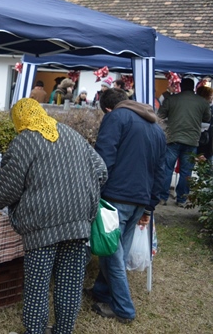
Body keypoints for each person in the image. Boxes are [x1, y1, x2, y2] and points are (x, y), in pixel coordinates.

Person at [0, 98, 107, 334]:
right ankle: (63, 330)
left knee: (37, 284)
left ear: (20, 120)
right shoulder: (71, 134)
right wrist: (76, 190)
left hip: (42, 224)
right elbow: (101, 171)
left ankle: (35, 330)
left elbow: (6, 188)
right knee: (70, 283)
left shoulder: (25, 141)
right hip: (79, 222)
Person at [87, 88, 166, 324]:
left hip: (116, 197)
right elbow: (161, 170)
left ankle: (124, 309)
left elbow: (103, 159)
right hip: (140, 199)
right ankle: (101, 291)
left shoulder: (116, 117)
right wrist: (150, 205)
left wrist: (94, 191)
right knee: (116, 249)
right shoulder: (155, 127)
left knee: (112, 255)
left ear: (108, 109)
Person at [158, 77, 211, 207]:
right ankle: (181, 199)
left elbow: (160, 115)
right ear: (193, 88)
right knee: (186, 171)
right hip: (192, 140)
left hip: (172, 138)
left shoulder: (172, 99)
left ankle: (162, 197)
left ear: (181, 86)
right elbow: (207, 118)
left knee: (167, 168)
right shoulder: (202, 102)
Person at [196, 85, 213, 161]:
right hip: (202, 139)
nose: (211, 97)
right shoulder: (201, 108)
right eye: (210, 95)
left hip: (207, 140)